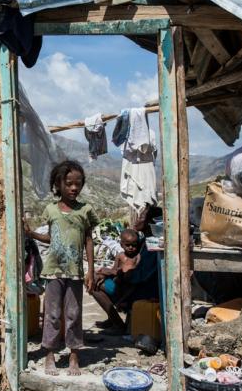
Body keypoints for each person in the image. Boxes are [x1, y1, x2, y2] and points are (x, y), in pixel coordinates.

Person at [25, 160, 98, 376]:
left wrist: (91, 271)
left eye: (78, 184)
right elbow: (51, 237)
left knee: (74, 314)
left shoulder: (85, 210)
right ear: (58, 185)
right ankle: (50, 355)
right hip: (53, 270)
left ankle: (74, 355)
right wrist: (32, 235)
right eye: (69, 184)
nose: (74, 188)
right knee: (53, 314)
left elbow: (88, 240)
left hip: (75, 272)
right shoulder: (51, 210)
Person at [91, 228, 158, 334]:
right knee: (94, 280)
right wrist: (105, 272)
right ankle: (112, 319)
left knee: (94, 285)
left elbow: (132, 280)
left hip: (128, 292)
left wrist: (122, 299)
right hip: (120, 286)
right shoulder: (120, 255)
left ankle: (118, 325)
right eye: (128, 245)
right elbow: (115, 270)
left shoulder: (138, 257)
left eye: (134, 245)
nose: (131, 248)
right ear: (121, 244)